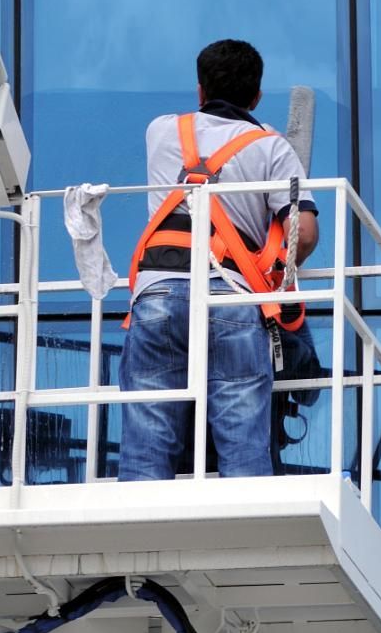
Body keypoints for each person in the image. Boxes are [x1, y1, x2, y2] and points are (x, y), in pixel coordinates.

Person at [118, 39, 319, 480]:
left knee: (146, 452)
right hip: (230, 299)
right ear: (257, 96)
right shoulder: (270, 146)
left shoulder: (162, 131)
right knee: (244, 449)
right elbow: (302, 233)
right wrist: (275, 272)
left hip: (157, 298)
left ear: (200, 90)